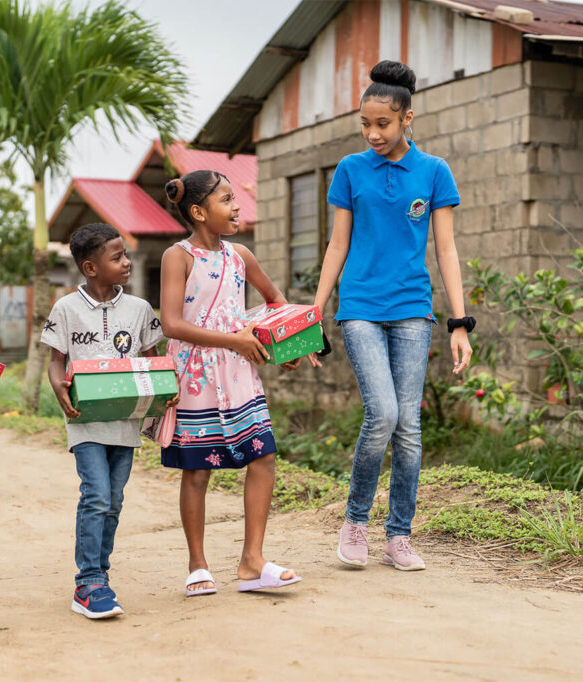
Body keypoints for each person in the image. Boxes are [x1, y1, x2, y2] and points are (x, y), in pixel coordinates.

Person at [313, 60, 474, 571]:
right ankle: (355, 521)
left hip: (412, 310)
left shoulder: (434, 172)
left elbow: (446, 251)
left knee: (408, 426)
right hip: (359, 306)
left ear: (408, 117)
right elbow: (337, 245)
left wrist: (459, 322)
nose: (372, 133)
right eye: (365, 124)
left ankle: (399, 535)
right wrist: (312, 314)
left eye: (382, 123)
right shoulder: (349, 170)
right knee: (382, 413)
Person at [159, 170, 304, 597]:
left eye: (235, 197)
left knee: (263, 456)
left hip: (240, 373)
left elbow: (276, 302)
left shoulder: (241, 255)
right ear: (200, 212)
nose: (237, 205)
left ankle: (251, 561)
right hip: (196, 376)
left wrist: (285, 345)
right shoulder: (177, 256)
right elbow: (171, 324)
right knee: (198, 470)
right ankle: (197, 565)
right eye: (226, 199)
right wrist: (236, 341)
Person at [43, 222, 174, 620]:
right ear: (91, 267)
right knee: (96, 495)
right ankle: (88, 582)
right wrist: (59, 390)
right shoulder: (66, 308)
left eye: (125, 254)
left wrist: (167, 387)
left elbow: (153, 359)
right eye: (117, 257)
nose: (127, 262)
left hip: (126, 422)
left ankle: (101, 572)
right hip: (85, 421)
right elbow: (56, 362)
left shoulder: (139, 310)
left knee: (113, 501)